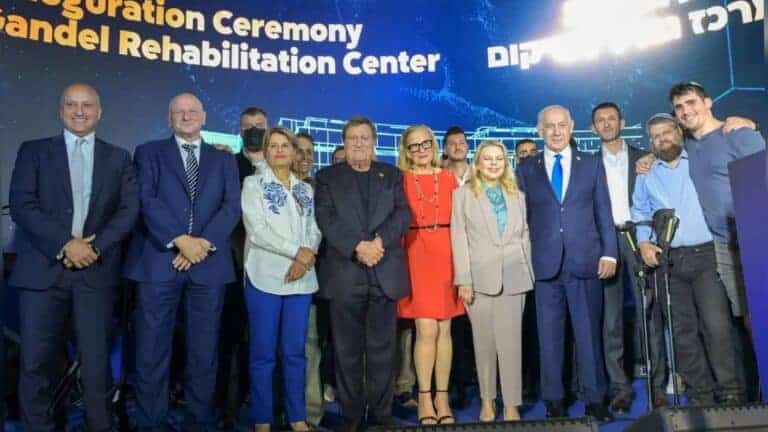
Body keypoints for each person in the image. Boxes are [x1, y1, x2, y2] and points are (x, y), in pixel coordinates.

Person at [9, 83, 139, 431]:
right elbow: (22, 204)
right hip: (42, 273)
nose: (79, 111)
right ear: (60, 110)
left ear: (99, 112)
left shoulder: (119, 158)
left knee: (97, 368)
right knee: (36, 366)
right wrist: (67, 244)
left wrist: (94, 247)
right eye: (71, 104)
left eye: (86, 105)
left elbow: (128, 211)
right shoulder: (33, 151)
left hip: (95, 275)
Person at [124, 92, 241, 432]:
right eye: (179, 111)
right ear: (169, 118)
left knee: (204, 352)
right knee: (151, 350)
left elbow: (231, 207)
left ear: (204, 117)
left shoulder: (224, 161)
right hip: (158, 262)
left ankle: (199, 421)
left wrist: (200, 244)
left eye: (192, 111)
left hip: (208, 265)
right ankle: (150, 422)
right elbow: (146, 199)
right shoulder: (149, 153)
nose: (186, 116)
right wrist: (180, 240)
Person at [632, 113, 745, 405]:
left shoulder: (697, 159)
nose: (662, 139)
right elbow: (640, 211)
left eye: (666, 132)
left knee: (717, 327)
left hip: (706, 254)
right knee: (682, 332)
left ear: (679, 132)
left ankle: (730, 392)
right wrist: (644, 242)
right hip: (668, 261)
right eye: (655, 136)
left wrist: (747, 125)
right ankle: (700, 395)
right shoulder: (645, 173)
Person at [515, 105, 617, 421]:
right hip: (544, 266)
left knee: (588, 336)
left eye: (562, 125)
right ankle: (554, 401)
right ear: (539, 130)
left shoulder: (592, 164)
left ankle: (595, 399)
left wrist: (610, 252)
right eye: (550, 126)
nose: (556, 131)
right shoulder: (526, 169)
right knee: (549, 339)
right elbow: (521, 220)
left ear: (571, 127)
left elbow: (603, 211)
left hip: (585, 261)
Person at [314, 117, 411, 431]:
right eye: (353, 138)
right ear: (344, 143)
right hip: (346, 274)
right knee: (347, 352)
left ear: (373, 142)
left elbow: (402, 214)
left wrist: (378, 242)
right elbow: (326, 218)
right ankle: (352, 415)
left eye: (364, 137)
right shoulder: (326, 177)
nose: (358, 143)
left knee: (384, 351)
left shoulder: (391, 175)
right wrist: (358, 247)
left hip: (384, 272)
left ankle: (381, 412)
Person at [241, 127, 322, 431]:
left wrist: (306, 256)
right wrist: (296, 252)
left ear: (293, 151)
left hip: (301, 280)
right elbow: (257, 231)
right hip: (264, 278)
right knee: (263, 354)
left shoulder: (305, 190)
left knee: (295, 353)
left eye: (284, 145)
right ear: (265, 151)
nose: (279, 150)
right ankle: (263, 420)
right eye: (272, 145)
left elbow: (315, 229)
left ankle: (297, 417)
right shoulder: (253, 184)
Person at [591, 102, 668, 412]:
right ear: (593, 128)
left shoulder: (643, 158)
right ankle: (620, 389)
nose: (607, 124)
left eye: (612, 118)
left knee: (649, 313)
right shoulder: (588, 164)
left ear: (622, 122)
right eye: (600, 120)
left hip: (640, 237)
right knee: (610, 320)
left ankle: (658, 388)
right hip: (605, 242)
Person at [451, 140, 534, 421]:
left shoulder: (518, 196)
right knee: (483, 343)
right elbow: (458, 238)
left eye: (499, 158)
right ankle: (487, 401)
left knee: (511, 345)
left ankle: (511, 403)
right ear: (477, 162)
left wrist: (527, 271)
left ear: (506, 163)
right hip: (478, 280)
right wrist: (464, 279)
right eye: (488, 158)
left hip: (514, 277)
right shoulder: (462, 195)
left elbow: (524, 235)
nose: (494, 163)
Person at [396, 125, 464, 424]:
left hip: (447, 255)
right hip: (415, 254)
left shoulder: (449, 178)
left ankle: (442, 397)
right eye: (414, 146)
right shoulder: (399, 180)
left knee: (445, 330)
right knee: (426, 330)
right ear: (406, 151)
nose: (421, 150)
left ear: (434, 146)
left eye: (425, 144)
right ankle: (424, 397)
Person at [215, 105, 269, 429]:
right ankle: (228, 411)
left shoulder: (281, 166)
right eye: (248, 127)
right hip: (234, 266)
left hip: (275, 268)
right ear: (239, 131)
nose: (254, 131)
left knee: (268, 342)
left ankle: (269, 409)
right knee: (232, 340)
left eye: (259, 125)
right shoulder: (225, 164)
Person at [439, 126, 477, 410]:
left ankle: (485, 382)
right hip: (445, 256)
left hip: (480, 255)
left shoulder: (481, 173)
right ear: (445, 148)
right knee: (453, 325)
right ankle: (457, 384)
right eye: (452, 143)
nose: (457, 146)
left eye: (461, 142)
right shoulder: (438, 176)